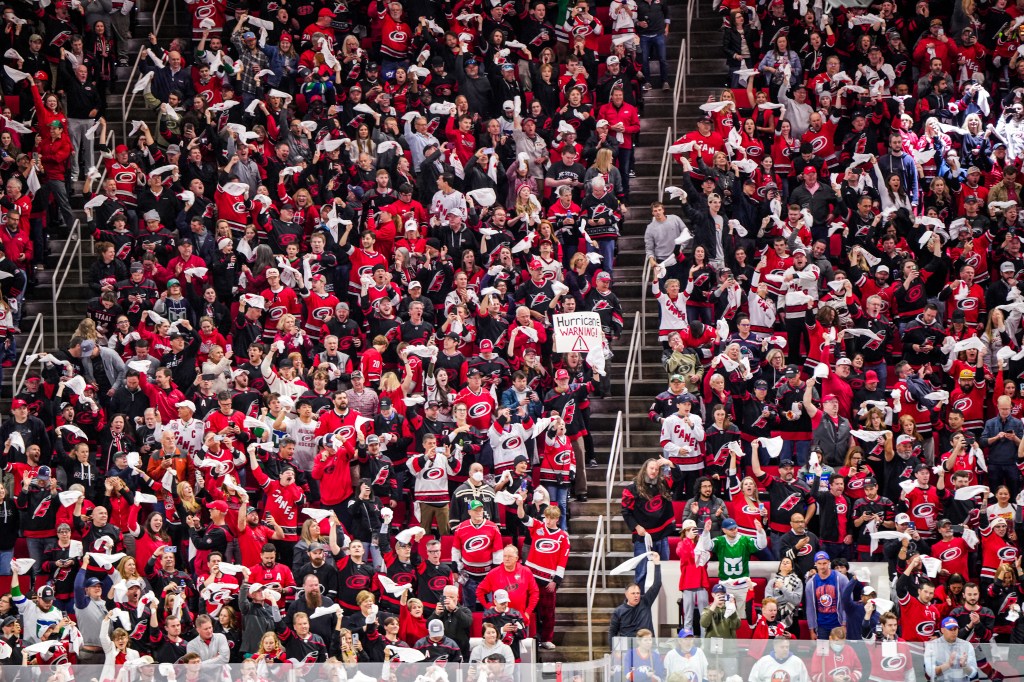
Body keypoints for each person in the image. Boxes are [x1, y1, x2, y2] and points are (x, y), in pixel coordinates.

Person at [608, 553, 662, 639]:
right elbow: (612, 632)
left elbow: (657, 584)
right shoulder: (618, 611)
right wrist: (614, 650)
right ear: (626, 594)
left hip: (648, 644)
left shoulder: (646, 601)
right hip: (629, 648)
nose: (636, 596)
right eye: (633, 593)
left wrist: (657, 564)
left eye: (638, 593)